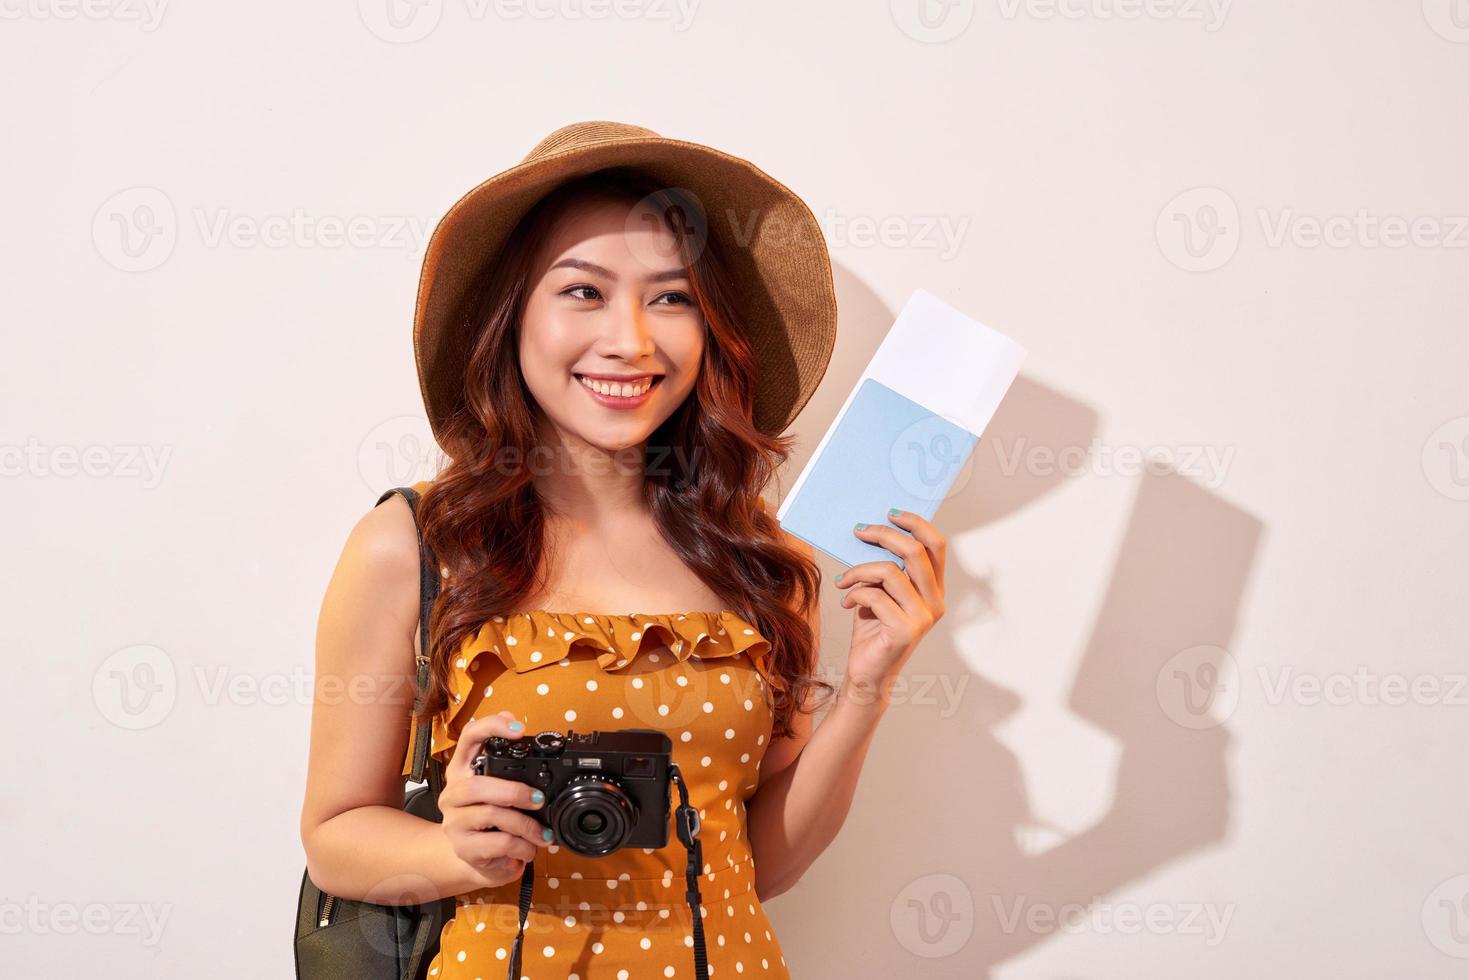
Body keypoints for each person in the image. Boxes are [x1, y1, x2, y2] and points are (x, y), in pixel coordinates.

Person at [299, 121, 947, 979]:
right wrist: (460, 850)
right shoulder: (414, 546)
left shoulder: (761, 561)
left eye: (672, 298)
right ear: (513, 313)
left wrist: (867, 687)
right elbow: (334, 838)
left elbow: (765, 864)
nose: (631, 341)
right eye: (582, 292)